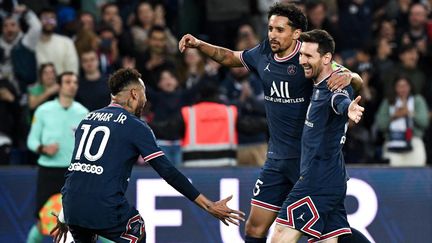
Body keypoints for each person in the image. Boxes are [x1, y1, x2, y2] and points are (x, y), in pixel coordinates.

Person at [179, 3, 364, 243]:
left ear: (296, 33)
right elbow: (230, 57)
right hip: (276, 158)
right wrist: (200, 45)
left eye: (279, 30)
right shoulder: (263, 53)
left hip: (306, 161)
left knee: (326, 231)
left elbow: (345, 82)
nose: (272, 35)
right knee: (254, 228)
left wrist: (351, 77)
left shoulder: (309, 58)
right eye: (270, 29)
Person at [50, 68, 245, 243]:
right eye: (144, 94)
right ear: (134, 94)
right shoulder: (135, 126)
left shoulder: (87, 119)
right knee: (137, 228)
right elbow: (167, 171)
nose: (145, 100)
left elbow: (76, 169)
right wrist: (208, 205)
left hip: (72, 207)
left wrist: (63, 215)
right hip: (104, 206)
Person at [271, 29, 364, 243]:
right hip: (331, 176)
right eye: (301, 54)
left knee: (280, 235)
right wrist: (352, 76)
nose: (302, 60)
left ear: (326, 58)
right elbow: (353, 79)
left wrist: (348, 107)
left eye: (308, 56)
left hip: (318, 178)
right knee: (328, 240)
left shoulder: (334, 86)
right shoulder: (322, 81)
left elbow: (338, 100)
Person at [26, 72, 89, 243]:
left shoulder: (83, 112)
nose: (72, 85)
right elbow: (31, 140)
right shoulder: (43, 110)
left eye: (75, 82)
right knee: (42, 223)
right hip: (48, 173)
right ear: (59, 86)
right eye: (68, 82)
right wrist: (43, 148)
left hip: (73, 174)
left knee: (85, 221)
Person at [376, 76, 429, 166]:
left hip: (414, 142)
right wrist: (394, 117)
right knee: (393, 176)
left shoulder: (417, 100)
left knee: (416, 174)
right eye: (399, 86)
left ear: (410, 87)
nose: (402, 89)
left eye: (405, 86)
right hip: (392, 142)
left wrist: (409, 113)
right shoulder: (388, 101)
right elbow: (381, 125)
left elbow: (424, 122)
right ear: (395, 88)